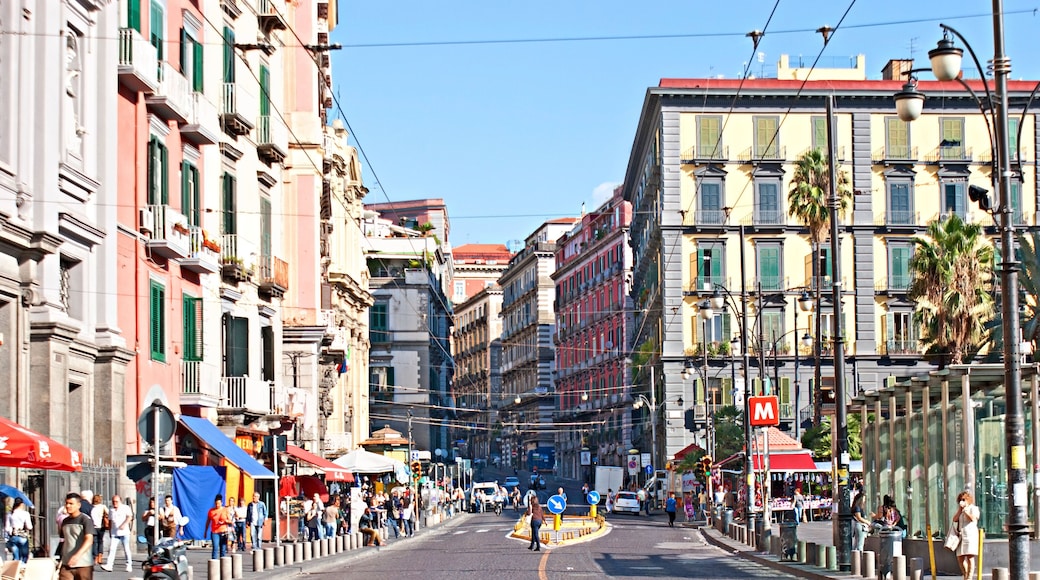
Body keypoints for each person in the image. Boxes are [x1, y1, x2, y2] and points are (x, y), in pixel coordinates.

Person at [58, 492, 95, 580]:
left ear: (78, 505)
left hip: (83, 564)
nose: (68, 506)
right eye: (66, 503)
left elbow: (89, 540)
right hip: (66, 563)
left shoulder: (85, 520)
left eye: (71, 503)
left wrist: (77, 556)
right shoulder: (65, 521)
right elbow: (65, 540)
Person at [101, 495, 133, 573]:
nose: (115, 503)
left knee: (126, 548)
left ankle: (129, 565)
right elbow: (110, 521)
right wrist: (110, 531)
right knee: (112, 548)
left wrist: (124, 524)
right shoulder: (111, 510)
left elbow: (129, 517)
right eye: (113, 502)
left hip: (124, 532)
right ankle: (109, 565)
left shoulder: (125, 508)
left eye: (116, 501)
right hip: (115, 533)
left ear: (120, 501)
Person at [953, 491, 980, 580]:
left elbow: (973, 518)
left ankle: (969, 577)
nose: (962, 501)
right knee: (960, 557)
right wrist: (960, 510)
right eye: (960, 500)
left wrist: (966, 511)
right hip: (961, 535)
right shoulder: (960, 510)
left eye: (964, 499)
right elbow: (955, 519)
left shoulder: (974, 508)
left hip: (970, 535)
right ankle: (965, 574)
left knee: (970, 557)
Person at [4, 498, 32, 563]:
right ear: (21, 504)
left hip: (13, 536)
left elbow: (7, 528)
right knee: (24, 557)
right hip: (22, 536)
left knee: (15, 557)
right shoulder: (25, 513)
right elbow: (29, 527)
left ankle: (15, 570)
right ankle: (22, 569)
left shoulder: (10, 514)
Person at [205, 495, 229, 560]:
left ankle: (223, 564)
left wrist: (224, 521)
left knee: (223, 549)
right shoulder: (211, 511)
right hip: (214, 532)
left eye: (218, 503)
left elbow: (230, 521)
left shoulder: (225, 510)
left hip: (223, 531)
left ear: (221, 503)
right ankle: (214, 563)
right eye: (216, 503)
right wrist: (205, 531)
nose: (217, 505)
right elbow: (208, 521)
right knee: (215, 547)